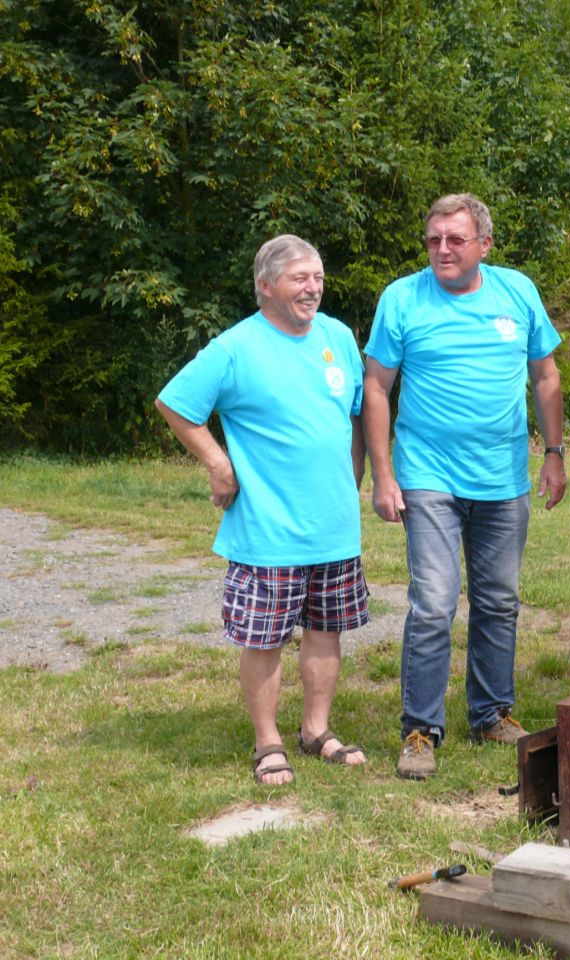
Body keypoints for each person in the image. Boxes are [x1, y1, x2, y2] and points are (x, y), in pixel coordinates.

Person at [363, 193, 566, 780]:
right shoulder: (402, 299)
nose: (442, 249)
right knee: (433, 603)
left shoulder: (517, 292)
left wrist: (554, 454)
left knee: (498, 600)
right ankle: (420, 730)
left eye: (455, 239)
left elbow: (545, 376)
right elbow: (376, 387)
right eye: (433, 240)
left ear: (485, 244)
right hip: (428, 477)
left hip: (503, 479)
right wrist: (383, 474)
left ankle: (492, 714)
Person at [155, 235, 369, 786]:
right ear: (266, 285)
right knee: (264, 639)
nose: (313, 288)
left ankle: (316, 730)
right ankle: (267, 741)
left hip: (334, 527)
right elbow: (174, 404)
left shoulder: (338, 337)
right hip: (267, 529)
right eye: (300, 278)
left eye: (318, 277)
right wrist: (218, 464)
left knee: (326, 632)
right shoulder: (235, 347)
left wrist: (353, 483)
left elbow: (353, 418)